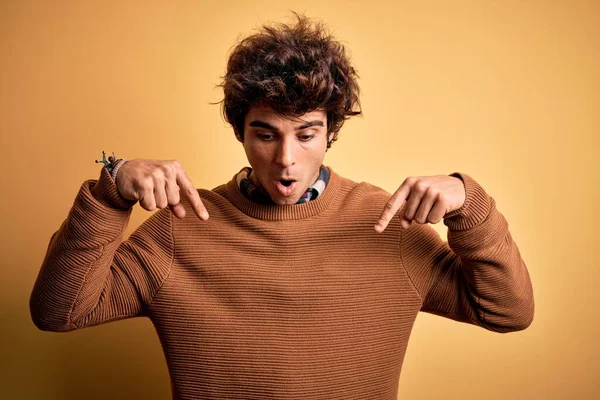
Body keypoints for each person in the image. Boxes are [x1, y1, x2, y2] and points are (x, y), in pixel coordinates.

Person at [30, 14, 534, 399]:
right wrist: (110, 189)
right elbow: (58, 312)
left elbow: (508, 312)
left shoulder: (386, 225)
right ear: (240, 132)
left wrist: (470, 204)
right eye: (265, 134)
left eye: (307, 134)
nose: (286, 160)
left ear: (331, 133)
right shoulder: (180, 229)